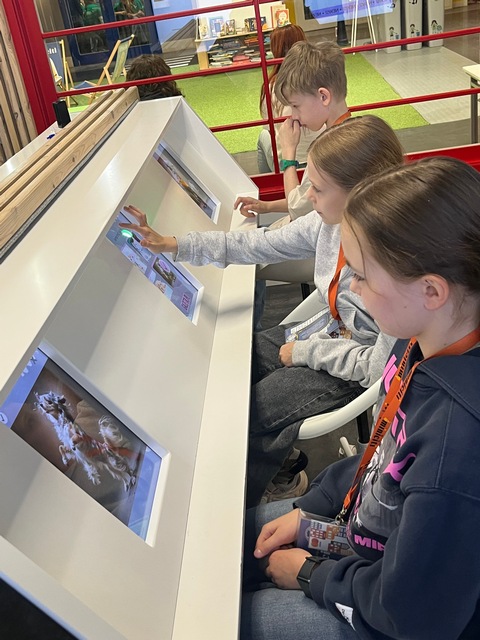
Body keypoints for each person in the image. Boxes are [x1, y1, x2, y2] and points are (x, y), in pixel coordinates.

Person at [241, 156, 480, 639]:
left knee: (237, 620)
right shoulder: (422, 342)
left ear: (431, 291)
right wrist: (314, 510)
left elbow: (414, 615)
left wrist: (311, 575)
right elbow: (387, 459)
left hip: (396, 612)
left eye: (363, 275)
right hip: (369, 543)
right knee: (228, 544)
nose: (350, 286)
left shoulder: (456, 445)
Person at [118, 115, 403, 507]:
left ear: (360, 193)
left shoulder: (395, 269)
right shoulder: (327, 225)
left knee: (250, 412)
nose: (307, 197)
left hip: (347, 366)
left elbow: (377, 367)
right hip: (324, 334)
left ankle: (245, 502)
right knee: (233, 365)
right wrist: (174, 244)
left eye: (318, 189)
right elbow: (258, 244)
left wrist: (304, 352)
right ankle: (282, 465)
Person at [235, 40, 350, 224]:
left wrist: (288, 152)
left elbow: (297, 210)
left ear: (323, 96)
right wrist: (266, 206)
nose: (294, 116)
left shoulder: (329, 151)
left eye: (296, 106)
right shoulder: (349, 133)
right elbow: (307, 201)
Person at [257, 24, 321, 174]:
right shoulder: (320, 78)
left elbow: (269, 128)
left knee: (263, 136)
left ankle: (270, 181)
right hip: (322, 157)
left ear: (275, 50)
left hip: (290, 161)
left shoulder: (272, 87)